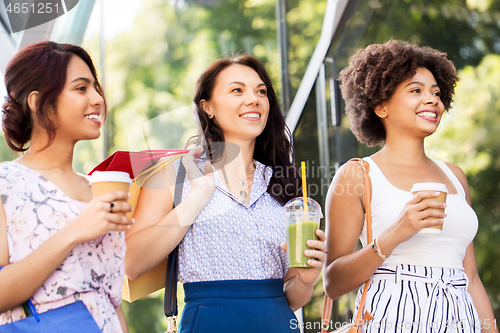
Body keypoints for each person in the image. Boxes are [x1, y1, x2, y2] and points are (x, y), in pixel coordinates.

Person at [125, 54, 326, 332]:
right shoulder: (175, 175)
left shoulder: (284, 185)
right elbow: (132, 263)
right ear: (208, 107)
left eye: (261, 91)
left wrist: (305, 280)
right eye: (237, 90)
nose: (254, 99)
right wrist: (197, 197)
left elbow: (289, 298)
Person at [323, 39, 498, 333]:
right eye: (416, 90)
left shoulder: (455, 176)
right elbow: (333, 283)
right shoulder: (357, 175)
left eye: (436, 93)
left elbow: (471, 277)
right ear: (380, 106)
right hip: (392, 320)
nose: (432, 100)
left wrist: (490, 329)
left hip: (460, 320)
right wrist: (397, 232)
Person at [0, 41, 134, 333]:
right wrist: (74, 231)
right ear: (38, 102)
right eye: (81, 88)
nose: (98, 98)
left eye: (96, 88)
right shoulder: (5, 184)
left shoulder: (97, 187)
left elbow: (111, 301)